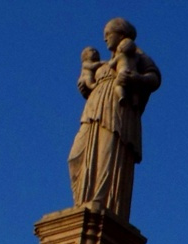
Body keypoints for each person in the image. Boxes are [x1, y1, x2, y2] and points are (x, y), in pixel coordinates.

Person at [67, 18, 160, 220]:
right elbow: (89, 78)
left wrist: (135, 79)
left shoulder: (134, 54)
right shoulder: (103, 62)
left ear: (121, 35)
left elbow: (154, 78)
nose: (105, 38)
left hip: (117, 109)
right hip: (94, 109)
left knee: (107, 153)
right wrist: (86, 87)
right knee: (76, 157)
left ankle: (102, 202)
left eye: (108, 34)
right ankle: (82, 201)